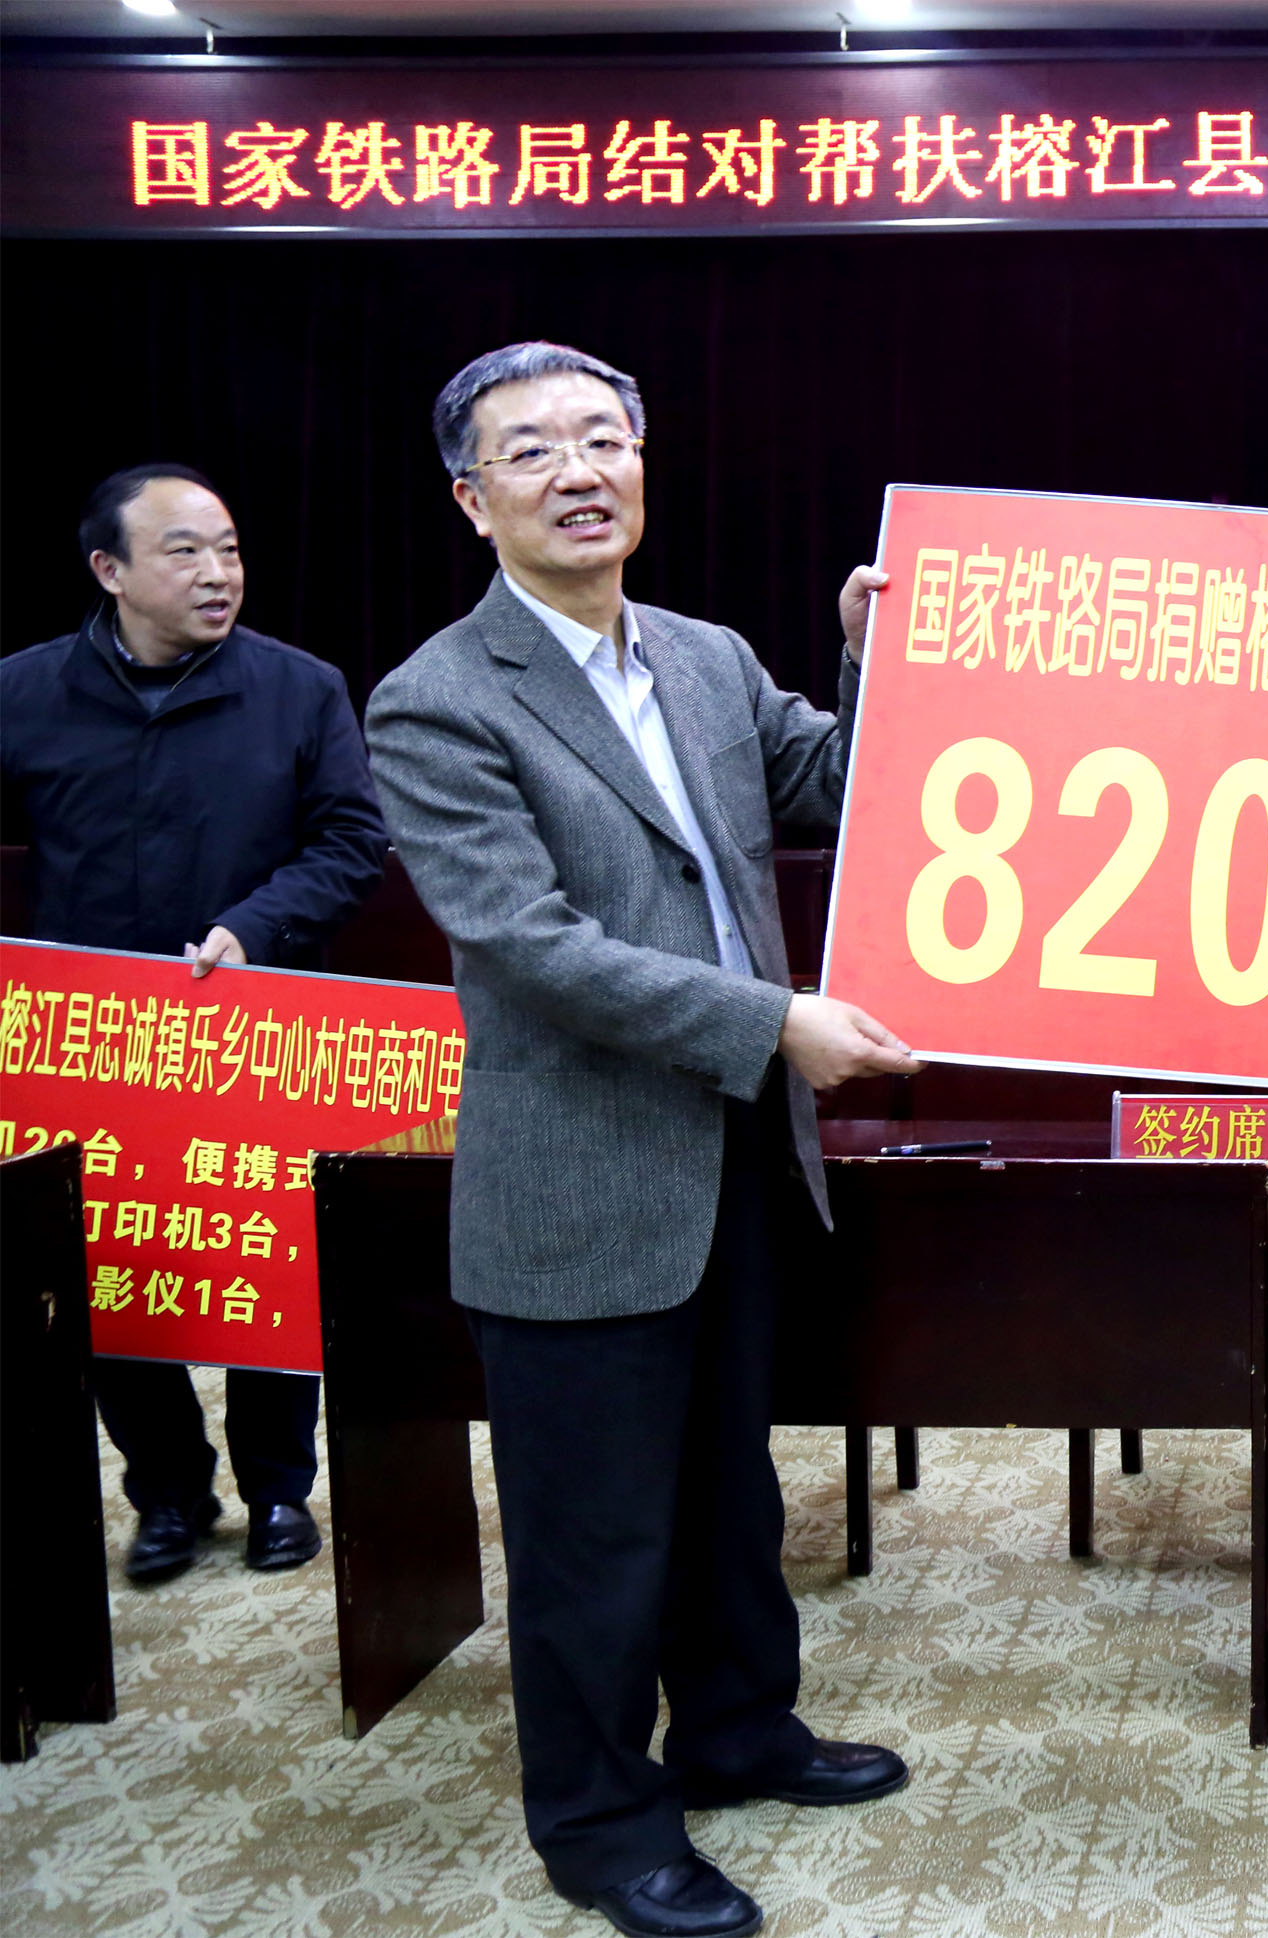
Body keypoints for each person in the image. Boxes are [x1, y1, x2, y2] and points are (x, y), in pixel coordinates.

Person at [363, 342, 920, 1938]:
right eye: (532, 450)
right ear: (471, 500)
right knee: (594, 1531)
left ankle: (740, 1730)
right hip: (580, 1174)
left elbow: (843, 784)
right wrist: (775, 1020)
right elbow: (533, 947)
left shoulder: (703, 654)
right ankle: (604, 1825)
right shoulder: (437, 700)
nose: (579, 471)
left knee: (729, 1490)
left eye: (603, 438)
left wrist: (873, 661)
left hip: (737, 1155)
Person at [1, 463, 386, 1584]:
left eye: (229, 548)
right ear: (109, 570)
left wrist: (252, 928)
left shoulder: (299, 687)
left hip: (253, 1023)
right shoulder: (23, 691)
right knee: (116, 1267)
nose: (219, 572)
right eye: (185, 551)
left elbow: (351, 842)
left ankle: (279, 1489)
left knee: (265, 1261)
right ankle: (166, 1490)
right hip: (94, 1038)